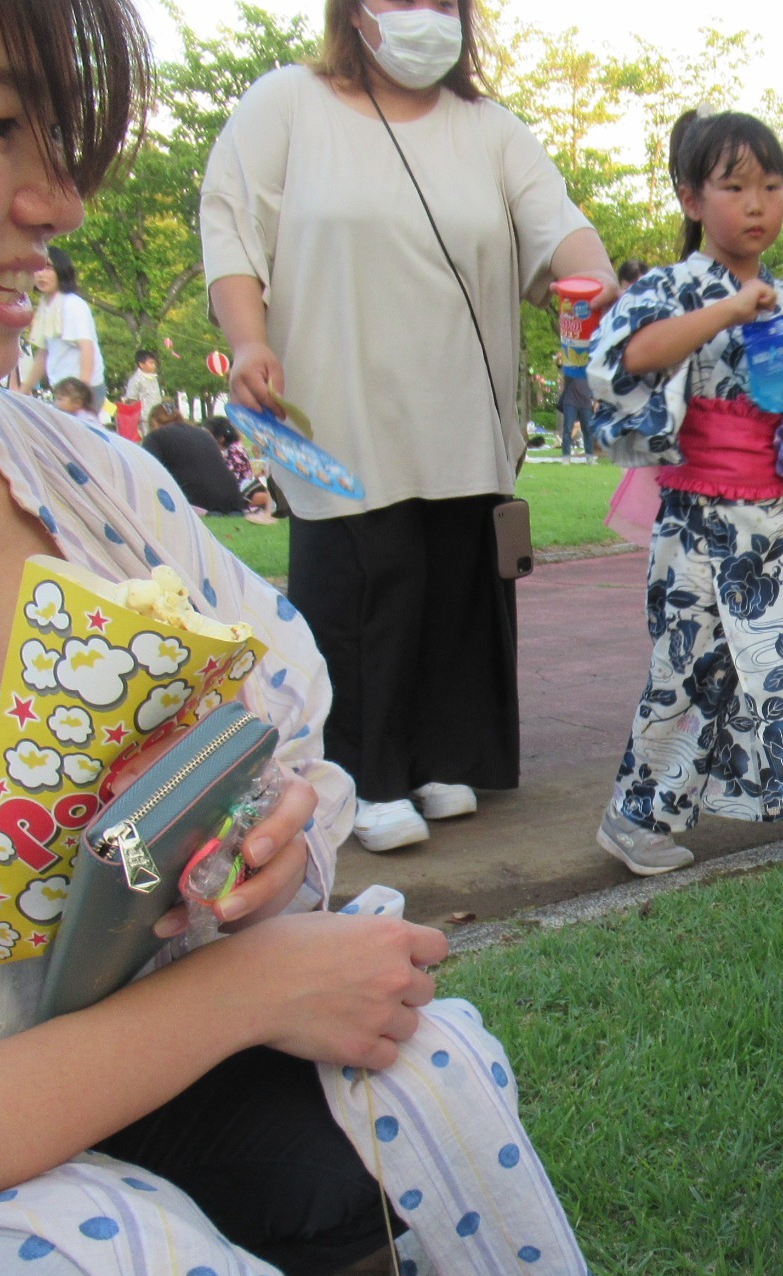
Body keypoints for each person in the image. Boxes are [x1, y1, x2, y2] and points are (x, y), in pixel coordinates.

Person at [0, 2, 610, 1276]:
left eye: (65, 144)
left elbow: (270, 725)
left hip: (79, 1086)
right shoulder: (284, 122)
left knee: (413, 1073)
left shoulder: (86, 482)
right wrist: (240, 995)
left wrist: (270, 841)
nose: (54, 201)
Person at [201, 0, 619, 853]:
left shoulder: (492, 130)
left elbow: (560, 233)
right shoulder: (286, 104)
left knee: (453, 579)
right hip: (338, 405)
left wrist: (599, 279)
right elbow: (234, 231)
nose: (423, 15)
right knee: (367, 579)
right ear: (352, 11)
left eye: (441, 1)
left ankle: (441, 755)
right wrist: (248, 341)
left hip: (462, 411)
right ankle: (362, 774)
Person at [589, 110, 783, 877]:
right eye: (735, 186)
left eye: (773, 186)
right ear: (691, 198)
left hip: (779, 519)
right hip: (696, 522)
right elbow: (627, 361)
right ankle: (636, 816)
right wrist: (724, 310)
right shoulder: (669, 289)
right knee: (690, 671)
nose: (757, 204)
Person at [22, 245, 104, 413]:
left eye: (48, 268)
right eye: (37, 269)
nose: (41, 274)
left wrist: (82, 395)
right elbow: (43, 354)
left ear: (61, 270)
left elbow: (87, 349)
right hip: (63, 392)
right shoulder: (46, 306)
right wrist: (22, 391)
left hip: (82, 393)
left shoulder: (72, 304)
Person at [141, 402, 249, 515]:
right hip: (232, 499)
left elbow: (149, 475)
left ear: (153, 423)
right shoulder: (204, 434)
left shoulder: (154, 437)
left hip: (199, 502)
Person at [206, 411, 278, 523]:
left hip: (244, 487)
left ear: (221, 439)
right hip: (243, 486)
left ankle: (272, 502)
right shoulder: (228, 450)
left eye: (208, 436)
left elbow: (231, 476)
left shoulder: (234, 451)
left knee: (242, 499)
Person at [118, 346, 162, 441]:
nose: (154, 366)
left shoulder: (154, 378)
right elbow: (132, 400)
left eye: (154, 363)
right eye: (151, 363)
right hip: (144, 420)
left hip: (157, 417)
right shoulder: (135, 380)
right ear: (141, 364)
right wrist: (136, 420)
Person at [558, 354, 596, 459]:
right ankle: (566, 456)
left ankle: (589, 456)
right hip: (570, 402)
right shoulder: (570, 370)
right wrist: (559, 358)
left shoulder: (589, 371)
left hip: (585, 403)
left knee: (587, 430)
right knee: (568, 430)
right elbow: (560, 364)